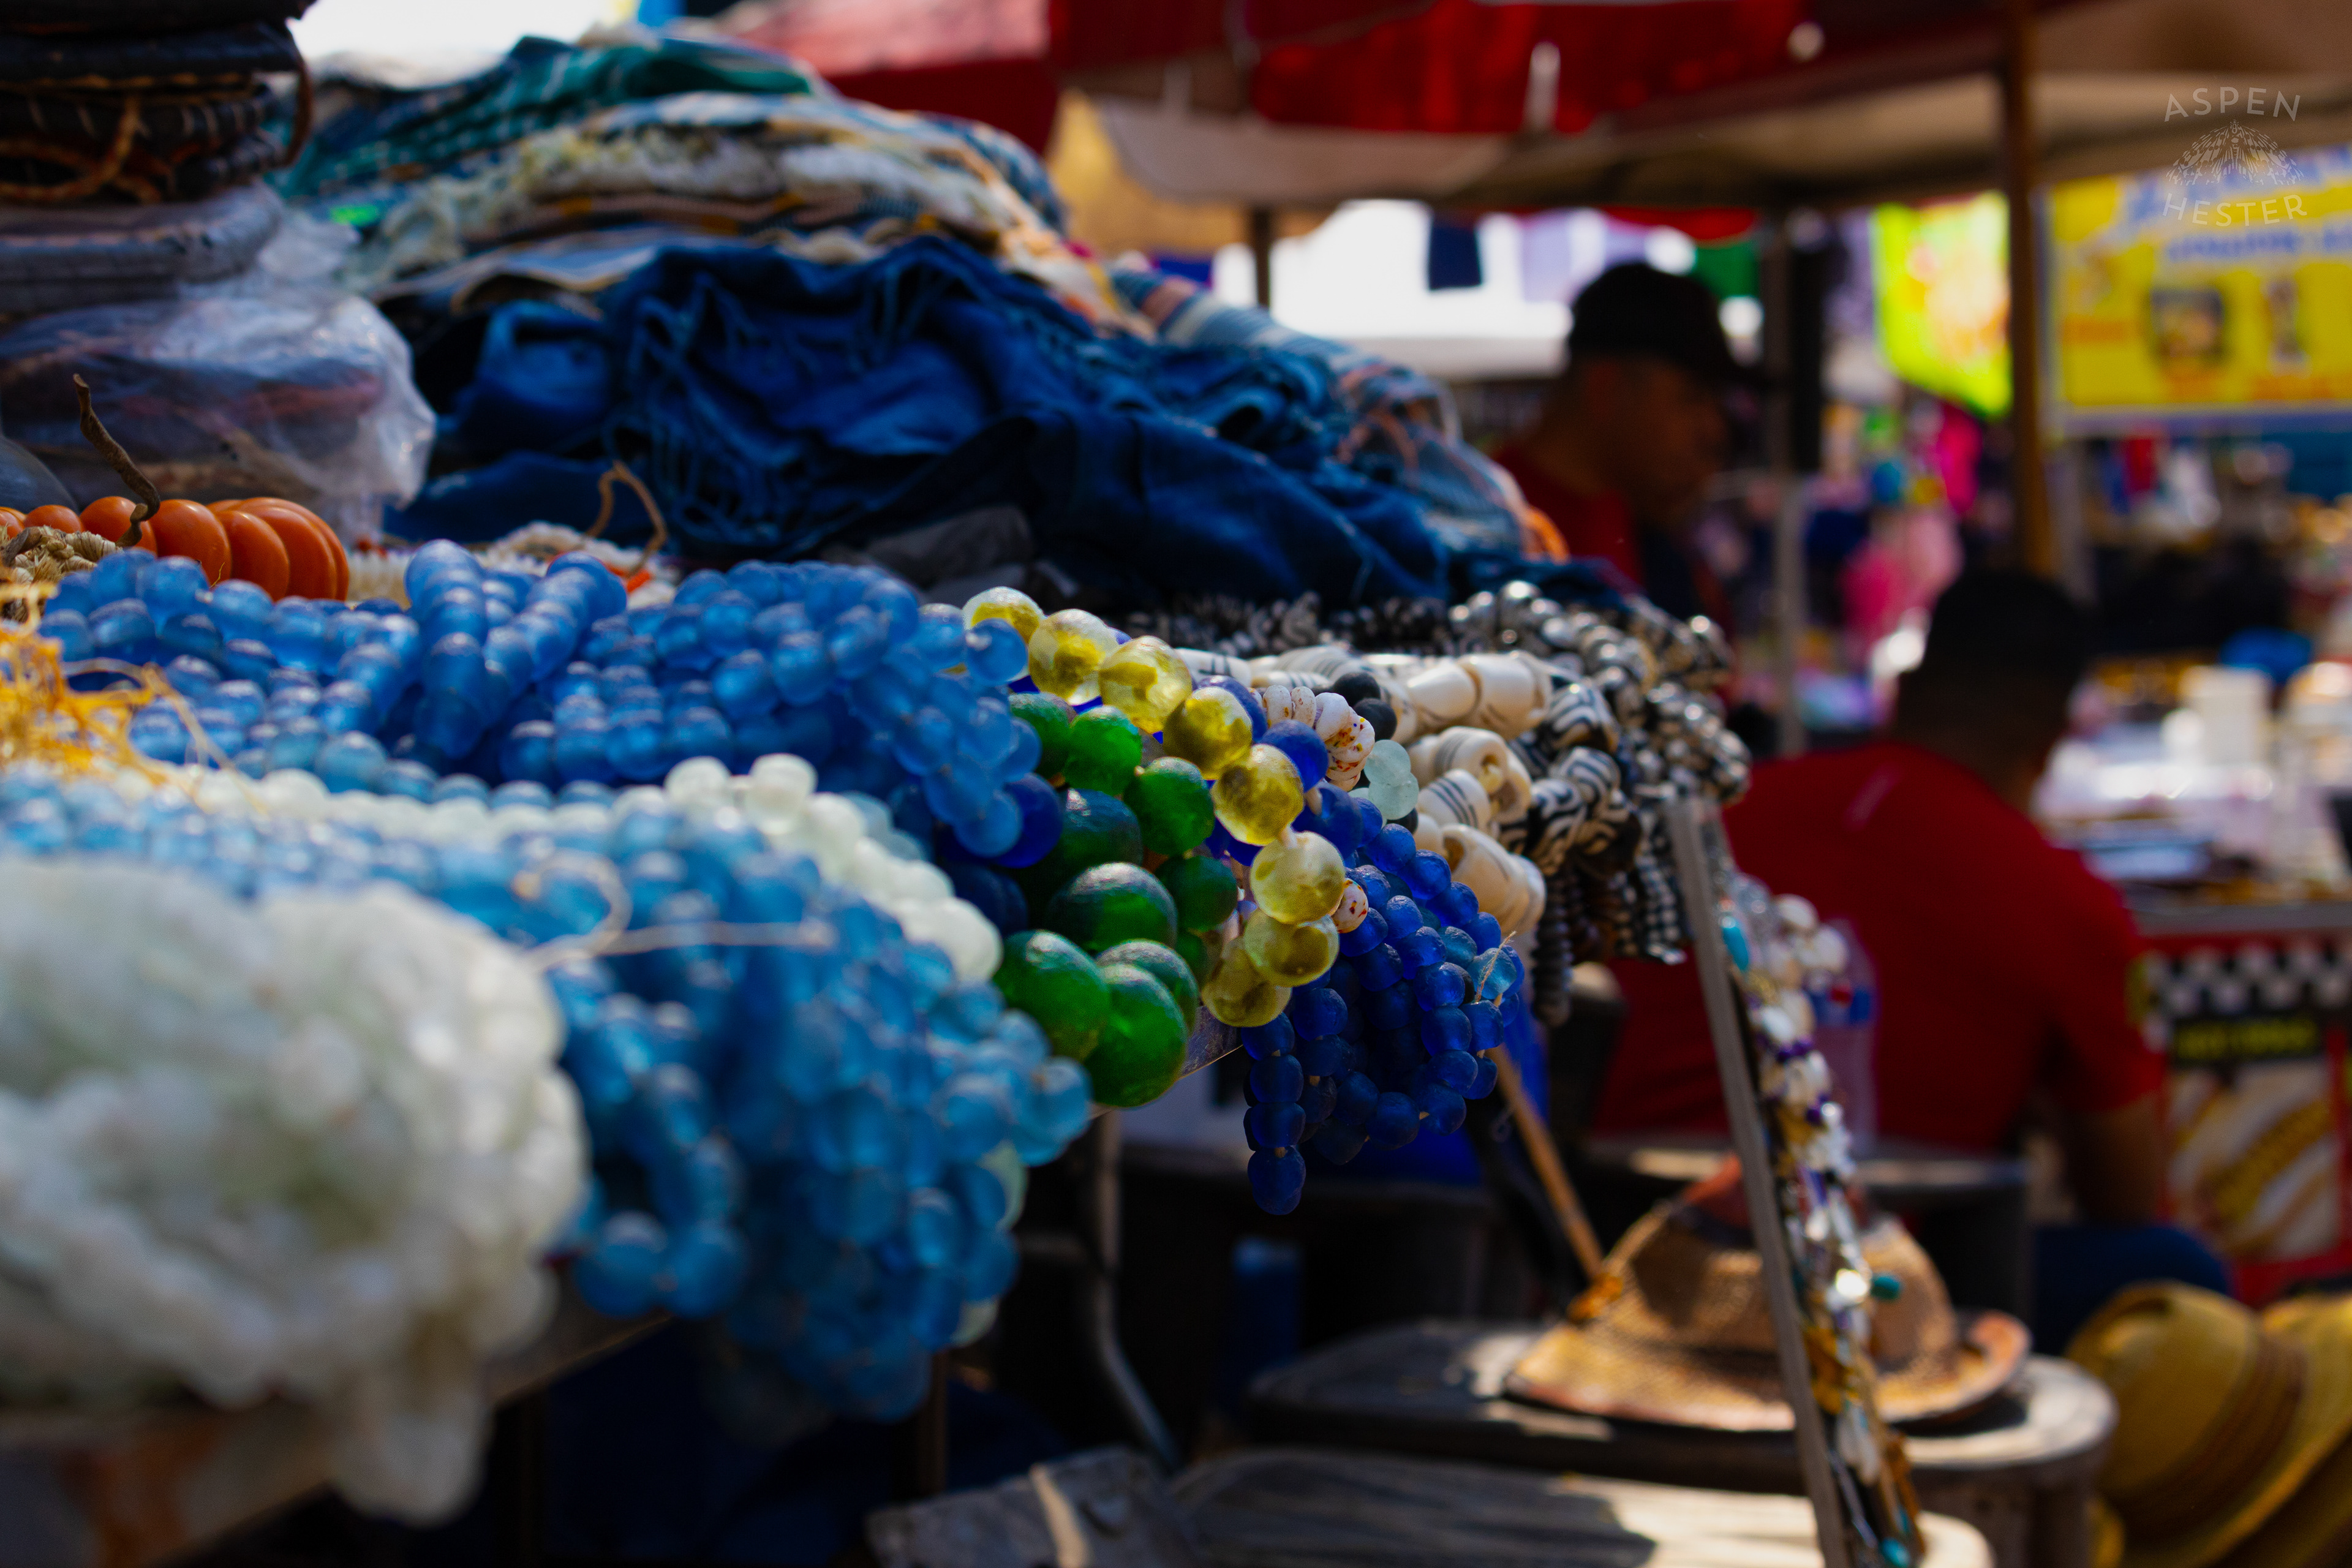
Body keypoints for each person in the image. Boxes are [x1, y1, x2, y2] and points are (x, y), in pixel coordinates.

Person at [1592, 570, 2226, 1346]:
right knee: (2171, 1271)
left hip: (1628, 1239)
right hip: (1886, 1279)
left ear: (1907, 688)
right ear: (2051, 738)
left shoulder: (1721, 816)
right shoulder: (2061, 897)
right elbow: (2125, 1195)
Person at [1491, 262, 1747, 624]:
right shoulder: (1487, 519)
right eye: (1691, 397)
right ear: (1607, 387)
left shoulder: (1637, 520)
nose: (1713, 430)